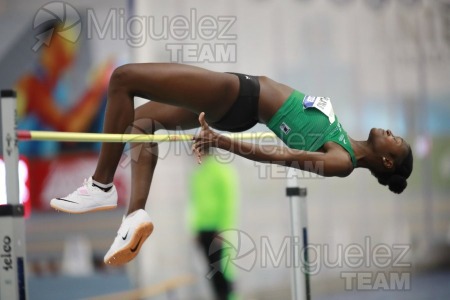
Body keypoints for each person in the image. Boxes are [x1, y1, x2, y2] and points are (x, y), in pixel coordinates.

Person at [50, 63, 413, 266]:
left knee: (123, 78)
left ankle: (100, 186)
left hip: (239, 97)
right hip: (240, 98)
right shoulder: (346, 138)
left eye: (396, 141)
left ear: (386, 161)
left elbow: (281, 156)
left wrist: (222, 142)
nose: (391, 132)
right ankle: (134, 216)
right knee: (140, 123)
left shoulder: (342, 161)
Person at [188, 153, 238, 300]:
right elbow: (194, 203)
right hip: (203, 229)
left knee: (223, 270)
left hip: (218, 230)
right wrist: (195, 228)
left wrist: (224, 228)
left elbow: (228, 202)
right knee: (211, 271)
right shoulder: (197, 173)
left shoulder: (221, 170)